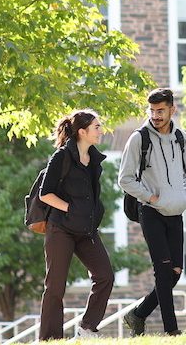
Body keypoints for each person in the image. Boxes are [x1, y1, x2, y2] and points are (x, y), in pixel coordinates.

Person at [119, 88, 186, 336]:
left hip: (176, 212)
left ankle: (138, 314)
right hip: (151, 211)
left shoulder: (181, 137)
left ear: (172, 109)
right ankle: (172, 331)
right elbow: (125, 179)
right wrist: (150, 197)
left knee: (174, 273)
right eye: (152, 111)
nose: (155, 115)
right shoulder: (139, 139)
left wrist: (184, 196)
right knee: (163, 271)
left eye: (161, 110)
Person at [38, 109, 113, 340]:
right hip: (61, 228)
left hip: (86, 230)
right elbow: (45, 194)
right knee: (55, 287)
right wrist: (71, 208)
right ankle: (50, 339)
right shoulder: (61, 157)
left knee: (105, 276)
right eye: (97, 127)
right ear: (82, 131)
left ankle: (87, 328)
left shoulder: (93, 160)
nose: (101, 130)